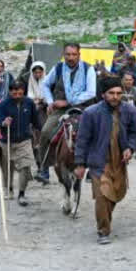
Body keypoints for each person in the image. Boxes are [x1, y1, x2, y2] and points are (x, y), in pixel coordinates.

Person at [74, 76, 136, 244]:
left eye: (118, 93)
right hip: (99, 161)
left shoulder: (130, 111)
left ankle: (105, 220)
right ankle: (103, 231)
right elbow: (82, 140)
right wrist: (80, 164)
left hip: (119, 161)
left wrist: (130, 147)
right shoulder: (91, 113)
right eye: (111, 93)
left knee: (116, 193)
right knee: (103, 195)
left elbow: (135, 132)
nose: (115, 97)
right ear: (103, 94)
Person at [37, 43, 97, 183]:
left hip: (84, 108)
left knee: (97, 133)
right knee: (45, 131)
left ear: (79, 55)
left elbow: (91, 92)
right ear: (64, 55)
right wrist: (50, 101)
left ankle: (93, 168)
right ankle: (44, 167)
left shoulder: (88, 69)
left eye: (73, 54)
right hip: (60, 109)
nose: (70, 57)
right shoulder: (58, 68)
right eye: (68, 54)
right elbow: (45, 84)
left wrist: (69, 102)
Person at [0, 81, 41, 206]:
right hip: (7, 141)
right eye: (13, 90)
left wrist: (40, 132)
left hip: (24, 140)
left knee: (25, 166)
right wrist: (4, 122)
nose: (16, 92)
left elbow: (35, 120)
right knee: (7, 168)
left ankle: (21, 194)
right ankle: (9, 189)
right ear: (10, 91)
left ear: (23, 90)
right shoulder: (3, 105)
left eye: (19, 90)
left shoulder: (29, 103)